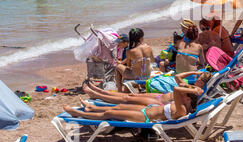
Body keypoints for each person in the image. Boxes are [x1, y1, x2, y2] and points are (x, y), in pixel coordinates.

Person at [63, 73, 207, 123]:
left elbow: (176, 88)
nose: (180, 95)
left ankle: (79, 113)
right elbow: (178, 86)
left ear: (188, 99)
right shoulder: (184, 104)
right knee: (118, 106)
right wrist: (193, 90)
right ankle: (92, 107)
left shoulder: (181, 109)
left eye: (184, 95)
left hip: (145, 116)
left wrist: (193, 89)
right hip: (148, 109)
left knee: (110, 113)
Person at [114, 28, 154, 92]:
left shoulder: (130, 51)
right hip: (147, 76)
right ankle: (142, 87)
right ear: (141, 37)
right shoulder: (149, 47)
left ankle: (119, 90)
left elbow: (129, 66)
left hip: (136, 76)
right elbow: (152, 60)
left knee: (118, 67)